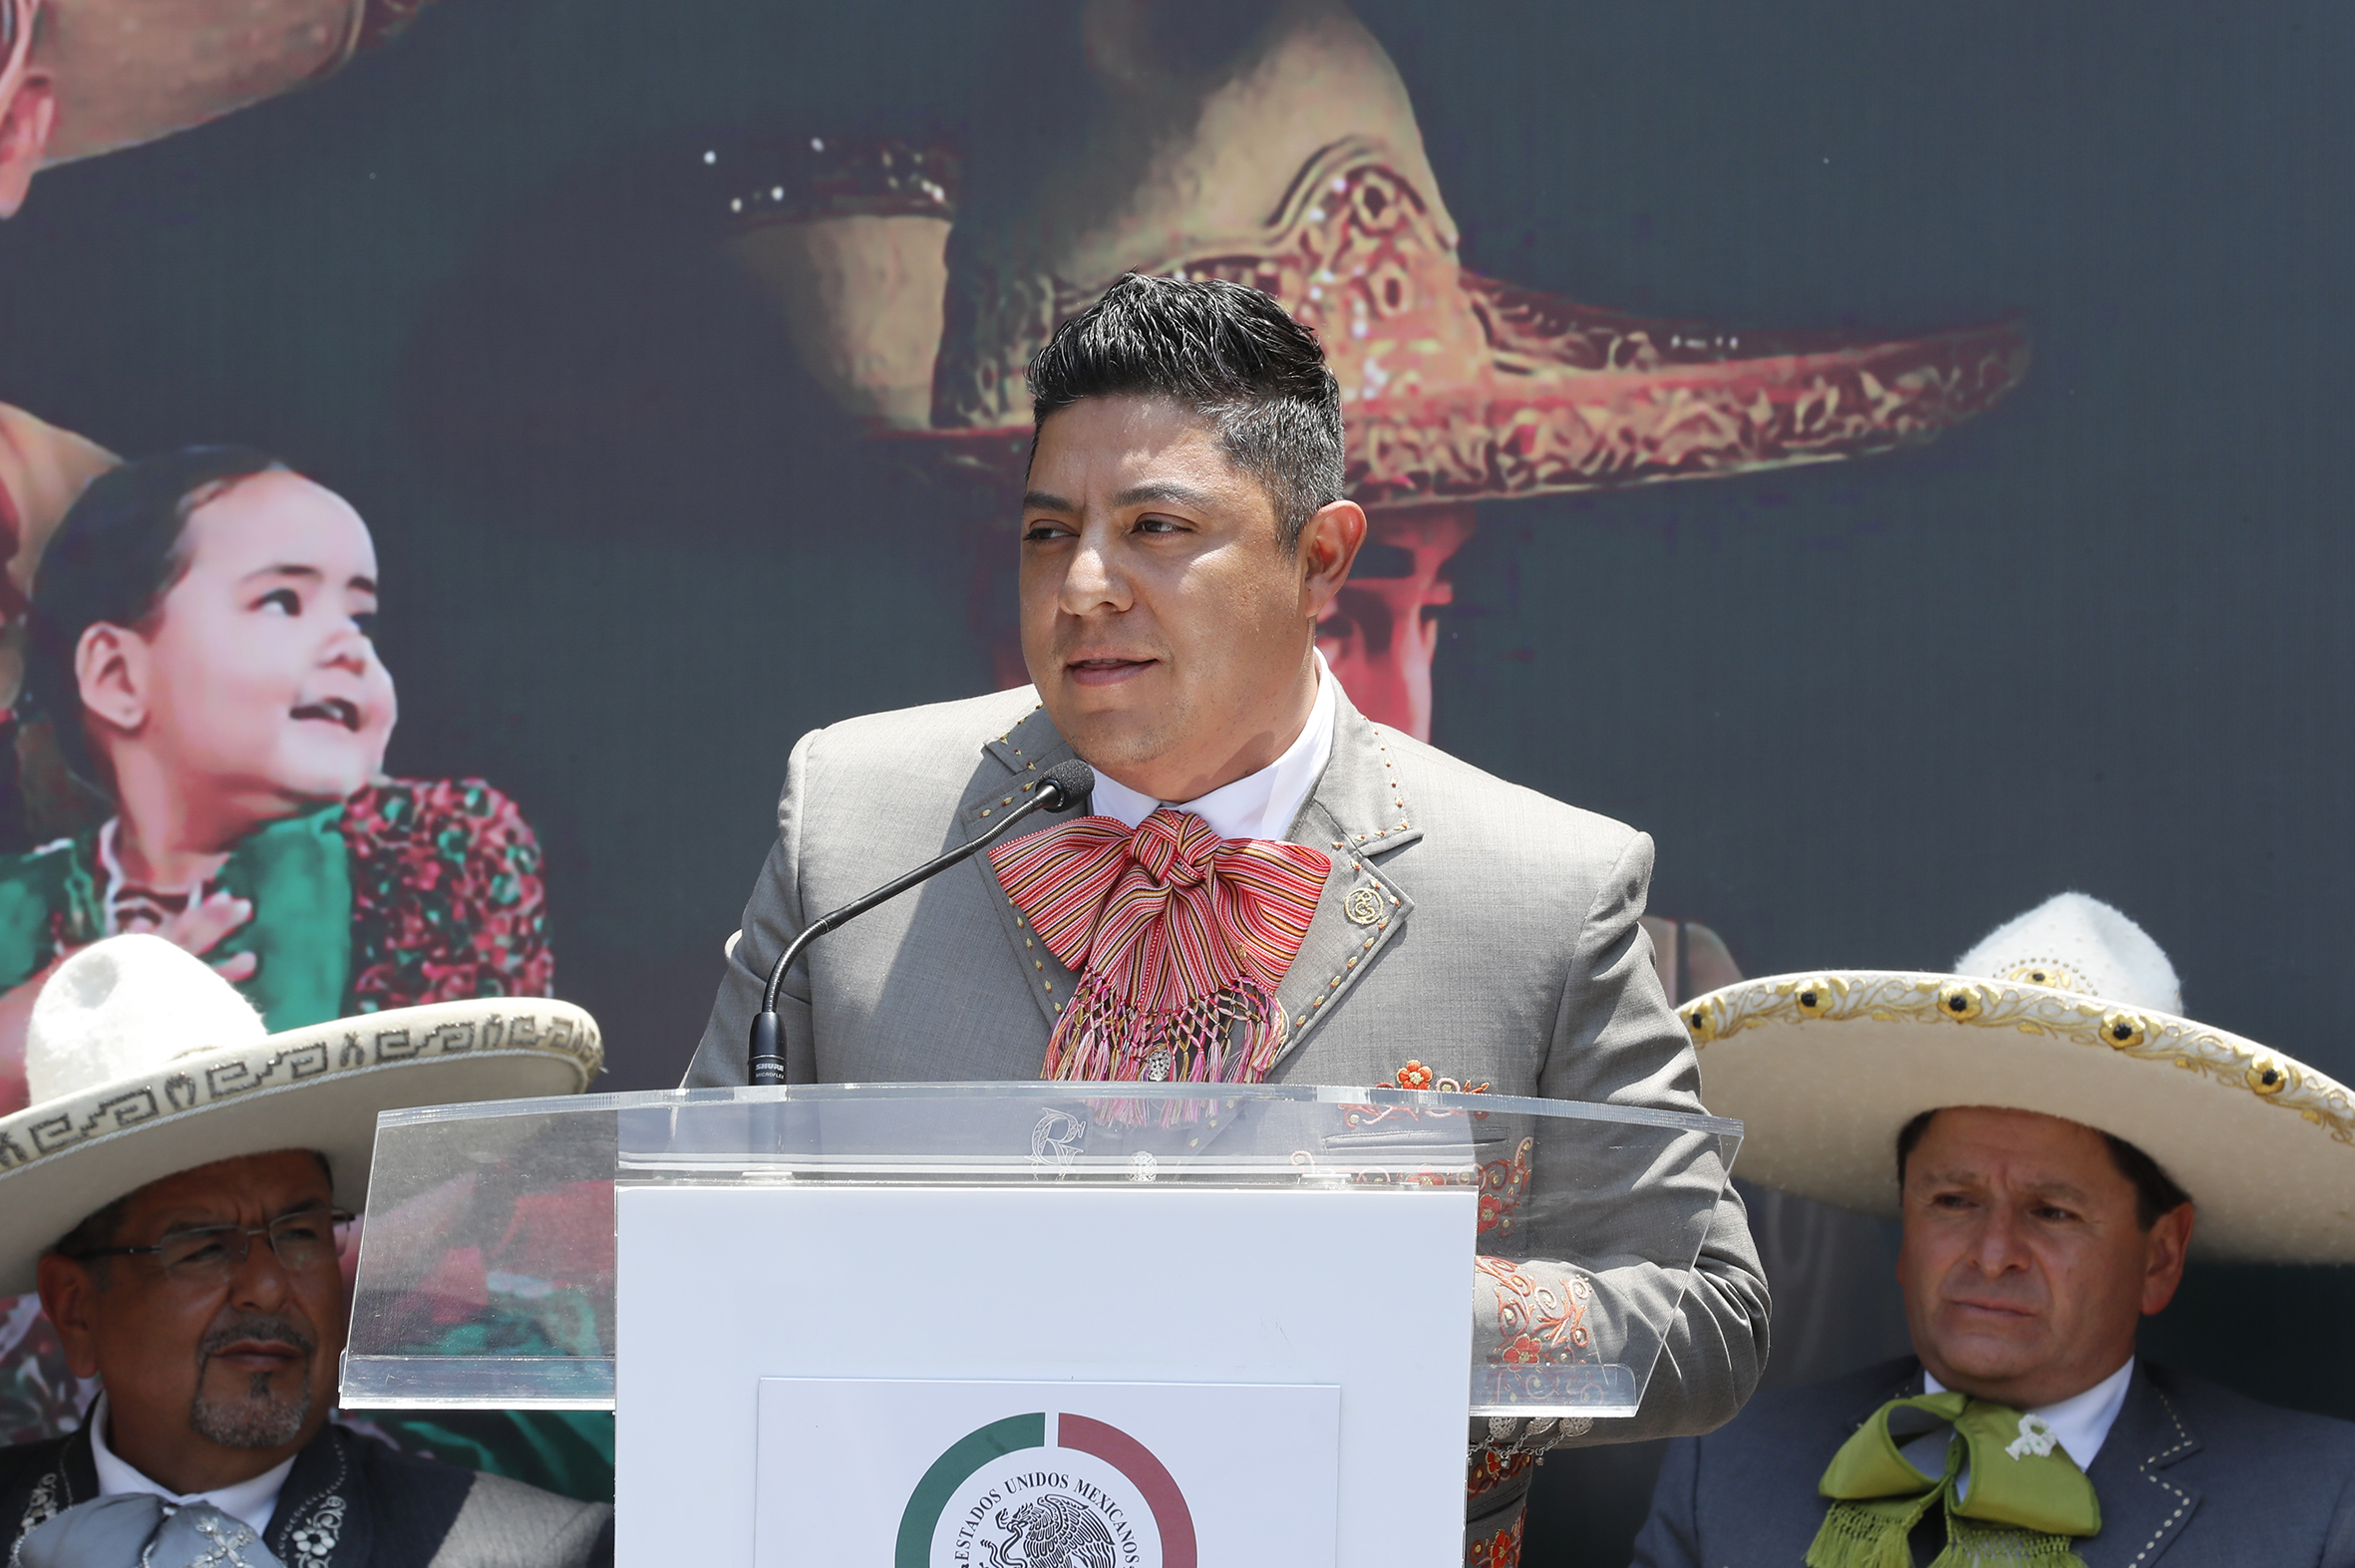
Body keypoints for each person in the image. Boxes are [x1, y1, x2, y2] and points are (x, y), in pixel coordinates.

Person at [685, 271, 1770, 1565]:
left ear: (1319, 558)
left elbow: (1707, 1315)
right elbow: (688, 1247)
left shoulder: (1540, 886)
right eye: (1047, 532)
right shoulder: (858, 822)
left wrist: (1384, 1304)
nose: (1084, 584)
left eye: (1156, 526)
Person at [1634, 893, 2355, 1566]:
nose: (1993, 1252)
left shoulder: (2316, 1506)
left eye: (2052, 1212)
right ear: (1906, 1228)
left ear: (2160, 1258)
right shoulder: (1729, 1470)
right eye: (1953, 1201)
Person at [0, 931, 610, 1565]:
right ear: (74, 1308)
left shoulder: (529, 1554)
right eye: (203, 1247)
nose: (268, 1287)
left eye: (299, 1235)